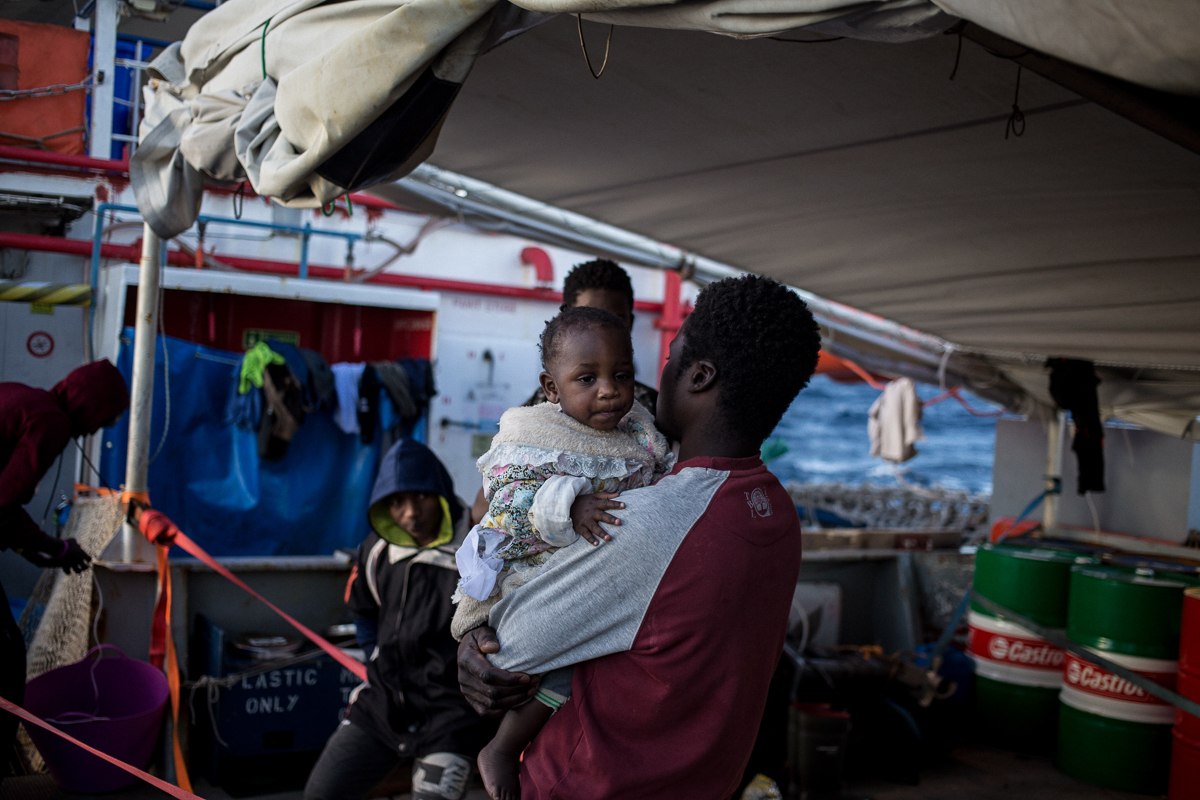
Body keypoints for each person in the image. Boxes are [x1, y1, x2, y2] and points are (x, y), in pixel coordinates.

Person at [456, 275, 822, 798]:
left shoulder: (648, 523)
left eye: (672, 357)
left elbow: (507, 653)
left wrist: (471, 640)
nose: (655, 375)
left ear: (699, 376)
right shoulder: (778, 514)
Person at [451, 306, 674, 799]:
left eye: (621, 375)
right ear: (551, 389)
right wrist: (565, 508)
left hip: (606, 579)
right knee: (552, 671)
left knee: (573, 675)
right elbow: (506, 502)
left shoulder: (640, 431)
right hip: (537, 573)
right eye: (587, 378)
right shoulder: (535, 437)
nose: (609, 390)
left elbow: (664, 475)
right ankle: (504, 748)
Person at [304, 439, 492, 800]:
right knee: (320, 794)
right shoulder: (375, 552)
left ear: (439, 492)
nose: (410, 513)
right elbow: (363, 610)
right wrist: (374, 653)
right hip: (381, 707)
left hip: (451, 714)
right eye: (396, 502)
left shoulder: (476, 548)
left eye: (420, 497)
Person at [0, 360, 129, 778]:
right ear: (90, 405)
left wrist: (33, 548)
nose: (94, 432)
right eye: (103, 420)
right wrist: (56, 549)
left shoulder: (22, 396)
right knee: (6, 657)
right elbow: (2, 505)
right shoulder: (50, 422)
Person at [470, 258, 657, 528]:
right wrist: (563, 507)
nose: (607, 391)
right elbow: (491, 507)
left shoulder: (651, 409)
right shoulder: (537, 414)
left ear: (631, 320)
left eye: (613, 319)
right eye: (586, 316)